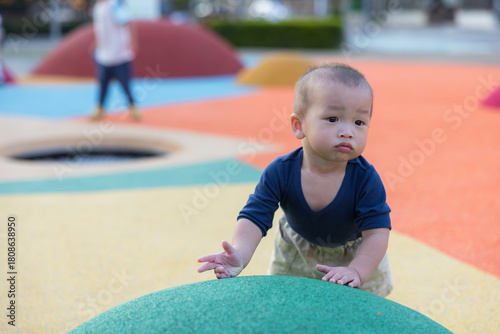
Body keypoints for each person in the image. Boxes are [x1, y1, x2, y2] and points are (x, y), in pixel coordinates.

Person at [197, 63, 393, 297]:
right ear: (299, 126)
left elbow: (377, 233)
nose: (347, 131)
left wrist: (357, 271)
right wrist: (240, 253)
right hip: (295, 250)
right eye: (333, 118)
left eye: (359, 122)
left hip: (357, 255)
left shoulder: (365, 179)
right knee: (288, 303)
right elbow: (255, 216)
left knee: (362, 311)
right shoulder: (280, 172)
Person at [91, 0, 139, 120]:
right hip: (104, 55)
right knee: (102, 84)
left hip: (120, 54)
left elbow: (128, 21)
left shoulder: (114, 4)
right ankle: (100, 108)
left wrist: (133, 40)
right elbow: (100, 30)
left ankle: (133, 107)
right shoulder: (97, 7)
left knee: (125, 84)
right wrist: (97, 43)